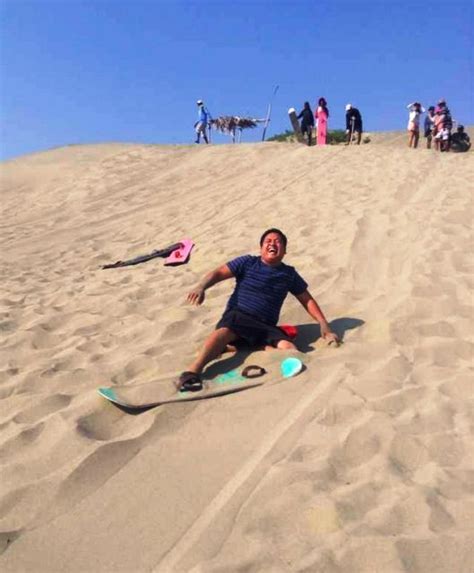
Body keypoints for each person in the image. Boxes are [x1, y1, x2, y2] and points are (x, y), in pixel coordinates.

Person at [177, 228, 339, 391]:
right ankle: (192, 372)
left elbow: (307, 299)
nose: (272, 244)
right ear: (261, 248)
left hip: (266, 327)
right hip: (239, 316)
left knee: (290, 350)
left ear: (284, 251)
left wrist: (323, 323)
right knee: (223, 332)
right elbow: (219, 272)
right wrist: (201, 287)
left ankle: (241, 346)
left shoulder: (288, 274)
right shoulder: (247, 262)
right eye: (268, 241)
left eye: (278, 242)